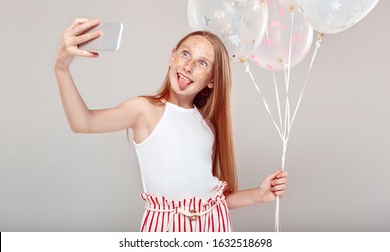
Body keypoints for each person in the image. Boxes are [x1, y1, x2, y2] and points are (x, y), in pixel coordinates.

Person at [55, 18, 288, 232]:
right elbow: (83, 123)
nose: (188, 66)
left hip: (214, 224)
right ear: (172, 56)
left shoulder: (208, 127)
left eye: (202, 63)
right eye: (185, 54)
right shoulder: (144, 110)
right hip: (166, 228)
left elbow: (209, 196)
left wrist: (258, 195)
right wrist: (61, 68)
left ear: (213, 80)